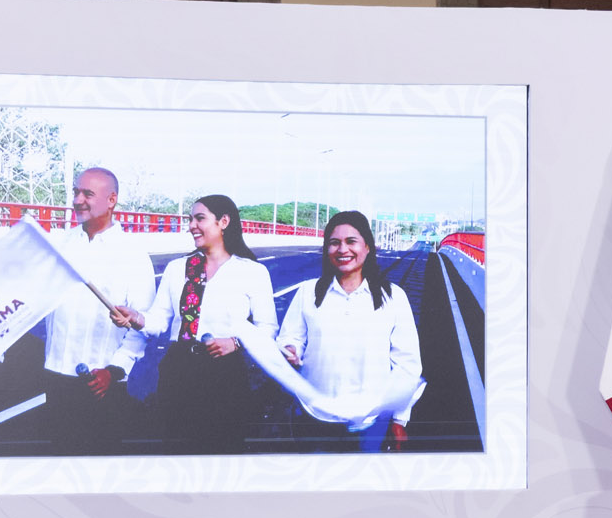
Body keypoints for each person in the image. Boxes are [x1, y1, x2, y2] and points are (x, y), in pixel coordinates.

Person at [110, 194, 276, 454]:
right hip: (179, 371)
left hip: (226, 374)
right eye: (190, 219)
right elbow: (158, 322)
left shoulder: (252, 272)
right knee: (178, 452)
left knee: (223, 450)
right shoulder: (178, 269)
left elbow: (268, 328)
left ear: (223, 222)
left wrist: (235, 343)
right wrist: (136, 318)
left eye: (200, 218)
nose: (191, 226)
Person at [277, 211, 422, 452]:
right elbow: (289, 337)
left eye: (351, 241)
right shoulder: (308, 292)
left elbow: (408, 364)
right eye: (334, 243)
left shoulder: (393, 297)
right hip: (313, 417)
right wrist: (290, 349)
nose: (342, 249)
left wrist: (400, 419)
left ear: (367, 247)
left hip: (369, 422)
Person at [41, 168, 156, 455]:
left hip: (102, 382)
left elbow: (140, 324)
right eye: (76, 192)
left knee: (100, 470)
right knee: (59, 465)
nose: (78, 200)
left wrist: (114, 371)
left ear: (111, 200)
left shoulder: (133, 254)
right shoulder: (60, 245)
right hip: (56, 375)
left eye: (88, 194)